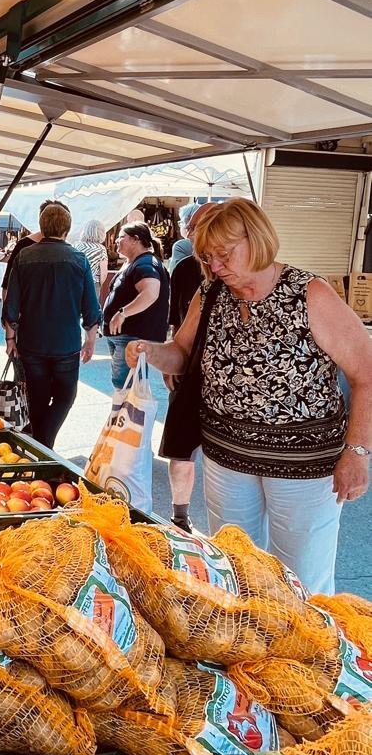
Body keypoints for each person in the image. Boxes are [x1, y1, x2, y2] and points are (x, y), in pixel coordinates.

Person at [125, 198, 372, 595]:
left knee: (302, 581)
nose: (216, 265)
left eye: (224, 254)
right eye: (208, 257)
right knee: (236, 569)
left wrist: (357, 453)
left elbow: (366, 374)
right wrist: (150, 352)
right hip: (226, 458)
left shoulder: (308, 293)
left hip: (303, 466)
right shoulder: (211, 292)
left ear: (256, 240)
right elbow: (182, 353)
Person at [3, 201, 101, 448]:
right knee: (65, 396)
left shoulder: (24, 256)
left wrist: (10, 338)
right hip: (66, 343)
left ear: (42, 226)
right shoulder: (79, 260)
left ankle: (41, 445)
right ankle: (45, 445)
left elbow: (11, 304)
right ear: (67, 229)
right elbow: (91, 308)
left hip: (31, 341)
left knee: (36, 397)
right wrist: (90, 340)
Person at [165, 203, 213, 531]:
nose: (193, 234)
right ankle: (180, 516)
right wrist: (171, 358)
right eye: (192, 228)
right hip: (187, 371)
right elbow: (176, 321)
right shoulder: (184, 269)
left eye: (198, 227)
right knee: (180, 448)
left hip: (224, 382)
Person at [103, 222, 170, 389]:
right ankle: (123, 407)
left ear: (135, 240)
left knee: (126, 385)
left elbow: (150, 292)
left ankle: (125, 407)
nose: (116, 241)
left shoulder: (146, 263)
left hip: (131, 335)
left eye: (121, 237)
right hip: (125, 335)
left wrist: (123, 313)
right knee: (125, 384)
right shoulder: (137, 262)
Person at [78, 219, 109, 300]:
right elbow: (104, 273)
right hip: (92, 284)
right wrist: (99, 286)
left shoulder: (76, 245)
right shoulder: (101, 249)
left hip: (76, 282)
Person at [170, 202, 201, 273]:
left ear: (188, 224)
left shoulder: (181, 246)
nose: (180, 225)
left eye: (181, 222)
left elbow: (175, 275)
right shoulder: (212, 242)